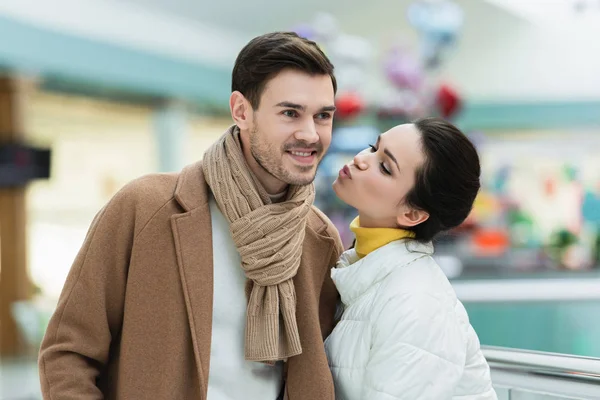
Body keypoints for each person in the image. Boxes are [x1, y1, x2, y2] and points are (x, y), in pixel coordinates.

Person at [38, 32, 343, 400]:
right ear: (242, 111)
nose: (310, 133)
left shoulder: (320, 239)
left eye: (323, 116)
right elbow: (66, 354)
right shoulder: (144, 207)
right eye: (290, 113)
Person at [325, 117, 497, 400]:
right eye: (373, 147)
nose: (360, 159)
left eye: (384, 167)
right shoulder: (361, 269)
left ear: (413, 214)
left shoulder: (417, 303)